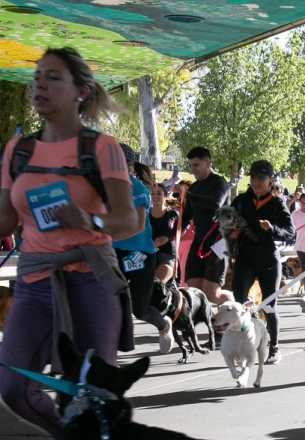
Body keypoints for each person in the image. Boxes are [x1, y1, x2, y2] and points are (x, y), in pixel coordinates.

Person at [0, 47, 138, 435]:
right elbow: (5, 220)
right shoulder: (18, 150)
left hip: (91, 281)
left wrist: (88, 219)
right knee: (12, 385)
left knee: (94, 394)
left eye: (53, 76)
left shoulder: (101, 147)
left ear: (80, 91)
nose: (39, 83)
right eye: (37, 76)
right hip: (34, 284)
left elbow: (127, 221)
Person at [229, 160, 295, 364]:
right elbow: (227, 223)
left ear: (270, 181)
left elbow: (290, 233)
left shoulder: (277, 203)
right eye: (253, 177)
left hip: (268, 259)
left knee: (269, 305)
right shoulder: (240, 201)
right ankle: (244, 342)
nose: (256, 182)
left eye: (261, 178)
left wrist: (272, 228)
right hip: (245, 258)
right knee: (238, 300)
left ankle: (274, 347)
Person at [112, 144, 173, 353]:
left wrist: (106, 234)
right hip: (112, 253)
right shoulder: (102, 187)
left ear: (128, 166)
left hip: (140, 255)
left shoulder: (137, 189)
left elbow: (137, 226)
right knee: (109, 300)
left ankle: (164, 324)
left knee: (139, 309)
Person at [182, 147, 231, 304]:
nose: (192, 169)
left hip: (220, 242)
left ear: (208, 163)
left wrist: (189, 195)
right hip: (199, 242)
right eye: (190, 165)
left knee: (212, 295)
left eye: (196, 165)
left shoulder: (220, 183)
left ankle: (241, 307)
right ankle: (212, 323)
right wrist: (169, 235)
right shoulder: (194, 188)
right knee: (194, 291)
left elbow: (214, 203)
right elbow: (185, 218)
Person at [150, 182, 179, 286]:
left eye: (158, 193)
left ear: (165, 196)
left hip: (167, 256)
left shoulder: (173, 214)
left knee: (157, 282)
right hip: (148, 255)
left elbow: (172, 235)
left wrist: (165, 239)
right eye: (152, 193)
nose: (155, 196)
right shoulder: (144, 214)